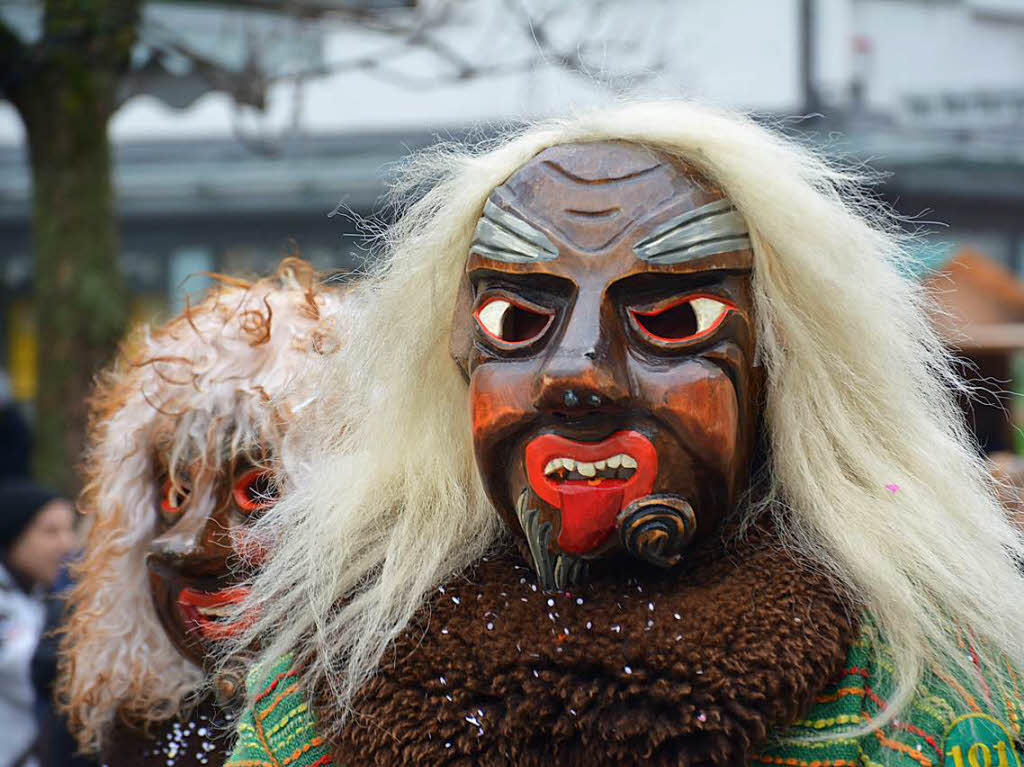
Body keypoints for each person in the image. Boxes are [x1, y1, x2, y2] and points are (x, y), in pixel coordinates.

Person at [225, 102, 1024, 766]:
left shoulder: (913, 688)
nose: (578, 375)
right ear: (457, 357)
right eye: (516, 320)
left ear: (776, 365)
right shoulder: (327, 679)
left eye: (672, 319)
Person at [57, 258, 352, 766]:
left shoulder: (400, 726)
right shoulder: (137, 732)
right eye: (176, 497)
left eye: (259, 493)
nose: (193, 547)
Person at [1, 481, 75, 767]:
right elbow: (32, 669)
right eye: (50, 532)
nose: (66, 544)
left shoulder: (38, 595)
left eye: (69, 530)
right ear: (14, 534)